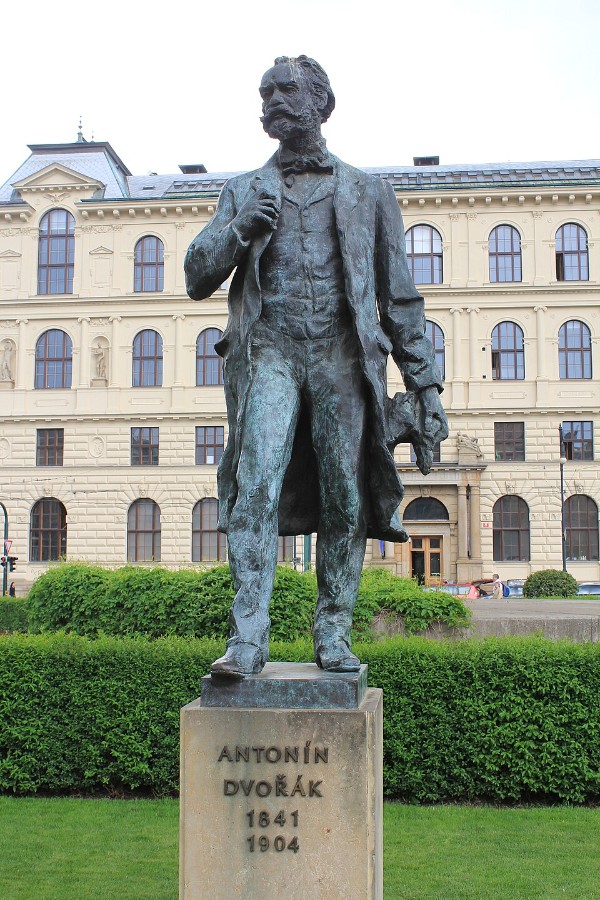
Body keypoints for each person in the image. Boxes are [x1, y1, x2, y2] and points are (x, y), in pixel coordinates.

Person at [185, 55, 448, 677]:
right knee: (256, 489)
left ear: (321, 102)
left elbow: (399, 296)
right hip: (269, 351)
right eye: (265, 92)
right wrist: (237, 232)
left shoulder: (367, 191)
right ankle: (248, 639)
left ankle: (333, 630)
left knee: (343, 495)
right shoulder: (244, 189)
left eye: (286, 90)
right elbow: (197, 274)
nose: (272, 100)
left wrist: (424, 384)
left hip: (341, 356)